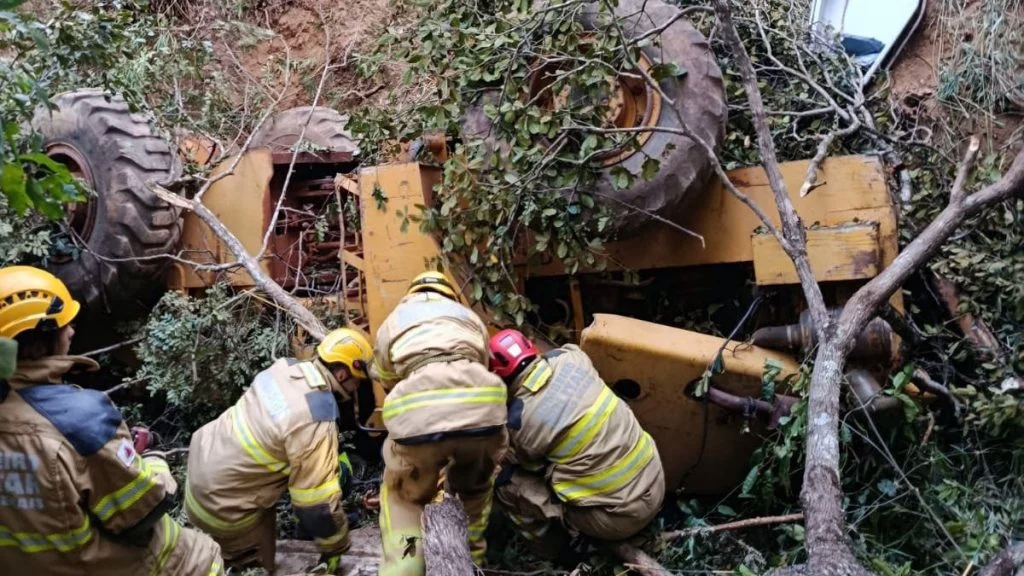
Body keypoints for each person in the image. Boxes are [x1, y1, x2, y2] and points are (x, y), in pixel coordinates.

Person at [0, 265, 224, 576]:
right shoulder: (81, 420)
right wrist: (154, 461)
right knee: (203, 554)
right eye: (66, 324)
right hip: (97, 567)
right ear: (43, 337)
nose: (72, 331)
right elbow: (142, 512)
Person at [184, 327, 372, 573]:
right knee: (258, 568)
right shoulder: (316, 416)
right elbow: (317, 505)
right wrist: (336, 546)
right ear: (342, 373)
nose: (358, 387)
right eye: (358, 380)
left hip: (202, 473)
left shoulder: (286, 368)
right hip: (226, 508)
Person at [372, 270, 508, 576]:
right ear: (449, 293)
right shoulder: (469, 317)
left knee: (404, 495)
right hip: (482, 409)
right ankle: (472, 559)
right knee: (474, 489)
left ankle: (405, 565)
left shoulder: (395, 319)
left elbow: (386, 376)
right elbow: (484, 363)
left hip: (418, 413)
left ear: (412, 292)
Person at [487, 329, 666, 562]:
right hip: (657, 482)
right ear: (532, 348)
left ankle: (555, 553)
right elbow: (559, 354)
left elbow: (532, 468)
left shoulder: (519, 422)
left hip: (619, 519)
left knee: (507, 483)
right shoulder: (574, 357)